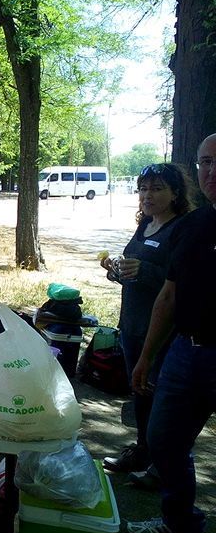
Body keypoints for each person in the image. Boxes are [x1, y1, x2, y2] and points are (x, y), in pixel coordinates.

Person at [126, 134, 216, 533]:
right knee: (163, 438)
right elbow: (169, 294)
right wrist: (146, 357)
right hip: (186, 349)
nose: (211, 171)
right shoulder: (196, 226)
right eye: (204, 162)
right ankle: (180, 524)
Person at [100, 163, 192, 483]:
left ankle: (160, 466)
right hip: (132, 325)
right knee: (139, 391)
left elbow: (181, 282)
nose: (147, 195)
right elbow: (134, 271)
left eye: (156, 189)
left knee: (161, 397)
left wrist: (145, 271)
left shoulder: (181, 229)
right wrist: (117, 270)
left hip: (163, 331)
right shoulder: (145, 225)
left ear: (175, 193)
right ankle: (142, 450)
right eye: (143, 189)